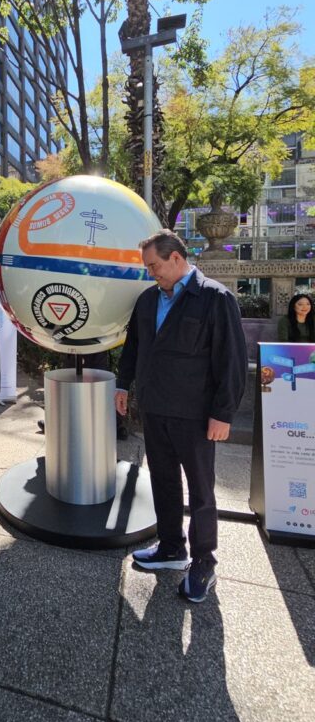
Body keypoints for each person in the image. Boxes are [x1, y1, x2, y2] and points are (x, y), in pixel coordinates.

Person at [115, 230, 247, 603]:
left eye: (154, 265)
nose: (151, 273)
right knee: (164, 481)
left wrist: (223, 414)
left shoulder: (214, 298)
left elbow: (232, 361)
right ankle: (171, 547)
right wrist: (122, 385)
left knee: (201, 491)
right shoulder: (147, 300)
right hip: (154, 410)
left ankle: (204, 561)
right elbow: (133, 347)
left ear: (176, 258)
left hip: (195, 415)